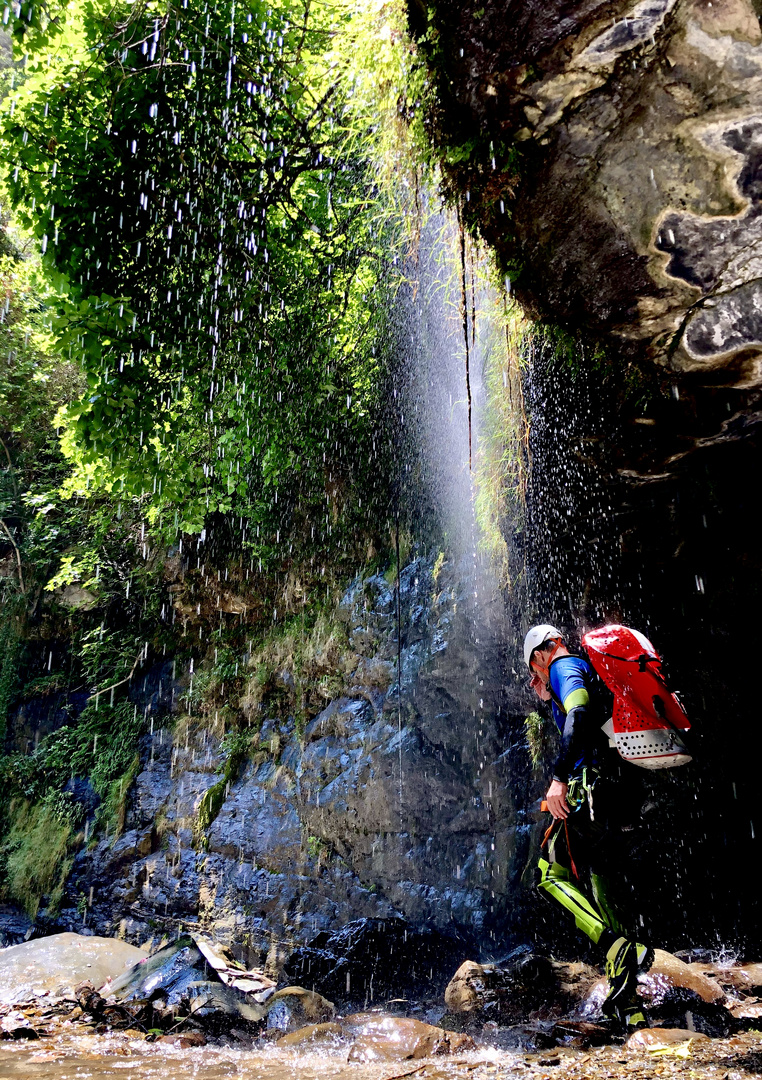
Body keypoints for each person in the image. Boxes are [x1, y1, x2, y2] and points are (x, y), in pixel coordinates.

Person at [524, 623, 654, 1033]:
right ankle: (628, 1007)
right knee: (604, 886)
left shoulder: (564, 666)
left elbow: (578, 710)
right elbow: (585, 713)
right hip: (619, 795)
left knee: (548, 875)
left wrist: (559, 777)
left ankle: (613, 945)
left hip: (589, 790)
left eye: (534, 667)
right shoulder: (590, 671)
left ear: (544, 653)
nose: (537, 678)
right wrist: (549, 701)